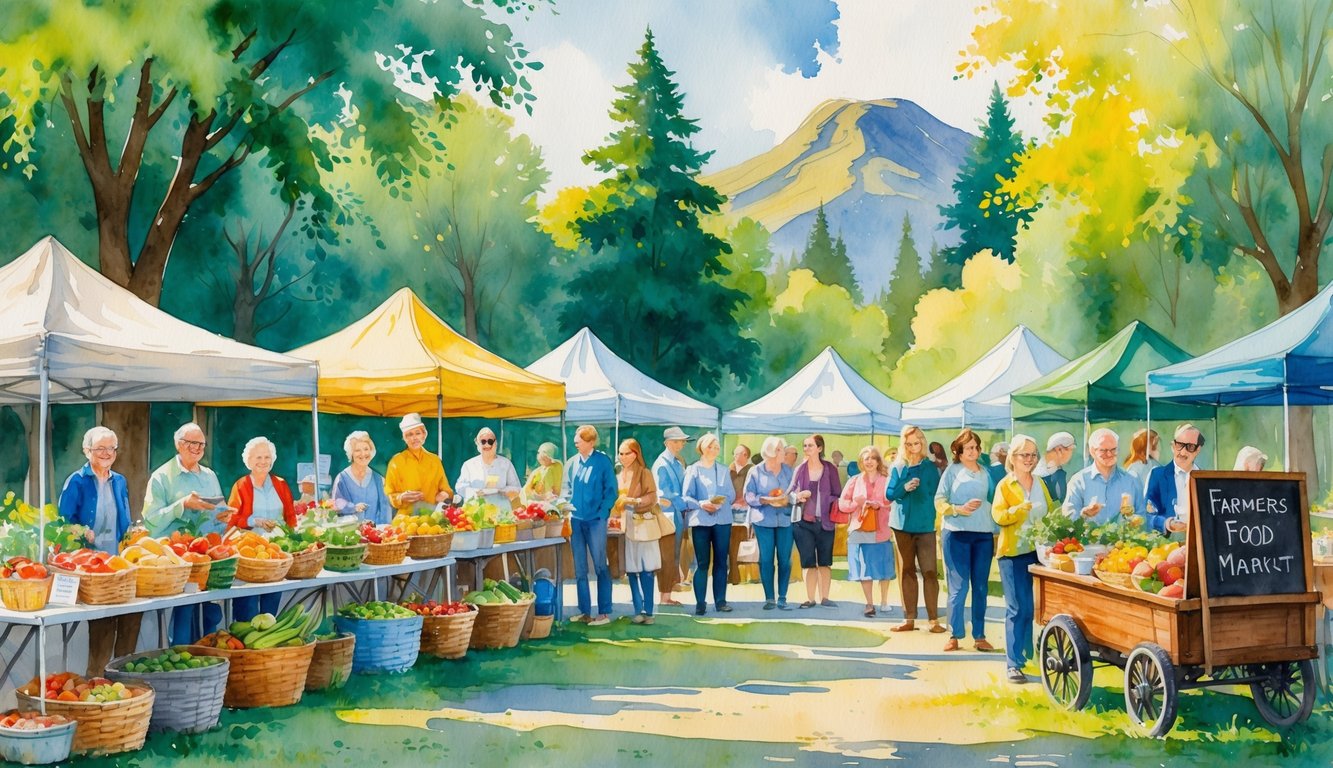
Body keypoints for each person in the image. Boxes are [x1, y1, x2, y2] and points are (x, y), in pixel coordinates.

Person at [58, 426, 139, 675]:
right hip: (92, 568)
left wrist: (132, 533)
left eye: (111, 448)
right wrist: (82, 531)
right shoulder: (77, 481)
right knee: (102, 626)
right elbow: (61, 523)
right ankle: (96, 679)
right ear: (87, 451)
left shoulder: (120, 481)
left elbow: (124, 518)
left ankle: (124, 680)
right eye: (100, 448)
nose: (106, 453)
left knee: (131, 619)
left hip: (118, 565)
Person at [143, 422, 232, 645]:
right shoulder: (162, 476)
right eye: (192, 443)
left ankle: (208, 655)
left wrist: (223, 518)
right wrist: (182, 504)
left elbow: (217, 514)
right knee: (183, 614)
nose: (197, 448)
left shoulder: (209, 475)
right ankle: (181, 654)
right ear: (179, 445)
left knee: (211, 614)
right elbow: (151, 521)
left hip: (208, 557)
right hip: (178, 558)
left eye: (201, 444)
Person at [991, 434, 1056, 683]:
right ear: (1013, 457)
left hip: (1037, 553)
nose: (1029, 459)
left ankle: (1028, 654)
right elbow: (998, 516)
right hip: (1012, 554)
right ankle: (1013, 663)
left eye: (1032, 455)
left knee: (1032, 607)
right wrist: (1016, 511)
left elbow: (1050, 512)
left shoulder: (1040, 483)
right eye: (1024, 455)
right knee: (1016, 608)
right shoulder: (1005, 485)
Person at [934, 428, 997, 652]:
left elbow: (994, 500)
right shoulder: (952, 472)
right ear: (958, 451)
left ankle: (979, 636)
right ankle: (954, 635)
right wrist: (958, 509)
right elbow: (939, 501)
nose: (973, 451)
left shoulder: (986, 473)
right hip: (956, 534)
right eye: (968, 448)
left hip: (983, 535)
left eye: (976, 447)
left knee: (980, 587)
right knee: (959, 587)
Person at [228, 436, 297, 621]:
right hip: (250, 556)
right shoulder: (241, 485)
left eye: (267, 457)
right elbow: (231, 518)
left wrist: (293, 536)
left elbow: (291, 517)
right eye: (258, 457)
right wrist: (254, 521)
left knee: (270, 608)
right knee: (248, 607)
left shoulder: (281, 484)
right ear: (249, 460)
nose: (263, 461)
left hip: (275, 555)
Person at [887, 426, 945, 632]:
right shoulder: (898, 466)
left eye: (916, 443)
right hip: (901, 526)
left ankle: (933, 620)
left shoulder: (930, 467)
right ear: (904, 445)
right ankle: (909, 619)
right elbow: (889, 494)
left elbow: (938, 493)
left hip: (925, 525)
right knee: (907, 571)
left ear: (922, 443)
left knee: (930, 571)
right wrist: (905, 487)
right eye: (909, 444)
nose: (913, 447)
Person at [564, 425, 616, 625]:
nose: (576, 442)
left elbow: (611, 491)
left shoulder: (603, 462)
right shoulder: (572, 463)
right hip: (576, 521)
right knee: (579, 569)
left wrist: (602, 514)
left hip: (596, 522)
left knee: (600, 565)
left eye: (580, 440)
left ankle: (604, 612)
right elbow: (566, 489)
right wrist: (566, 507)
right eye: (576, 439)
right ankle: (584, 611)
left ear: (591, 442)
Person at [682, 433, 735, 615]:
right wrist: (701, 503)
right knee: (702, 563)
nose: (714, 450)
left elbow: (731, 495)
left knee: (721, 562)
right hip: (701, 521)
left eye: (716, 447)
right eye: (710, 447)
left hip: (722, 520)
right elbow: (686, 496)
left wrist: (719, 503)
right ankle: (700, 603)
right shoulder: (693, 470)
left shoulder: (724, 470)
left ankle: (720, 601)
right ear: (702, 448)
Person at [839, 446, 894, 617]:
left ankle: (884, 601)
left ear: (878, 461)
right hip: (860, 529)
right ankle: (869, 603)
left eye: (872, 458)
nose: (869, 461)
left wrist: (879, 505)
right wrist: (857, 503)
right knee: (864, 569)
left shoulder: (886, 480)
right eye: (866, 458)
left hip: (881, 529)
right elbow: (842, 504)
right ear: (861, 462)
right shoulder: (854, 480)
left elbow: (893, 502)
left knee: (884, 567)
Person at [788, 434, 842, 608]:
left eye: (810, 445)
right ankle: (810, 599)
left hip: (825, 522)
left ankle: (825, 598)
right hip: (803, 523)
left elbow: (838, 494)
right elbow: (789, 493)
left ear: (819, 448)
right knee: (808, 562)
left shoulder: (830, 469)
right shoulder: (800, 469)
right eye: (805, 446)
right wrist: (797, 496)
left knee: (825, 562)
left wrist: (825, 498)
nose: (806, 449)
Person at [743, 436, 795, 610]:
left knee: (785, 560)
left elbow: (795, 492)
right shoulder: (755, 471)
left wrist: (789, 499)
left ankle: (782, 597)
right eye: (780, 449)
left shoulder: (788, 471)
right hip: (763, 520)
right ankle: (769, 598)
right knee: (766, 559)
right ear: (771, 451)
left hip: (785, 520)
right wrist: (765, 499)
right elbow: (748, 496)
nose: (784, 452)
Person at [616, 439, 660, 624]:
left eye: (627, 453)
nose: (623, 457)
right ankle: (637, 609)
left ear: (636, 454)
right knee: (632, 570)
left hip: (643, 524)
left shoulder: (644, 473)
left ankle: (648, 611)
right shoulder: (618, 475)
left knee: (647, 569)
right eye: (621, 453)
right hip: (625, 525)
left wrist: (635, 501)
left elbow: (652, 496)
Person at [1063, 428, 1144, 525]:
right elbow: (1068, 520)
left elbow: (1143, 515)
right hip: (1088, 535)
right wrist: (1084, 514)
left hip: (1125, 535)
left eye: (1113, 449)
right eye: (1103, 450)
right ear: (1092, 451)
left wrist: (1134, 520)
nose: (1109, 454)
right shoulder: (1078, 481)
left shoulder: (1132, 479)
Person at [384, 413, 453, 516]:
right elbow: (388, 494)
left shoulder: (435, 460)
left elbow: (447, 490)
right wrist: (401, 497)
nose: (414, 438)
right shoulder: (396, 462)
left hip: (431, 516)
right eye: (410, 435)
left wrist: (444, 494)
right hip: (405, 519)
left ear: (424, 435)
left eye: (418, 433)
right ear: (405, 438)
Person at [652, 426, 691, 605]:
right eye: (676, 441)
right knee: (667, 555)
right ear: (667, 443)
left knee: (674, 553)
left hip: (677, 514)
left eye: (681, 441)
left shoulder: (676, 462)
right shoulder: (661, 464)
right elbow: (665, 494)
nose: (680, 445)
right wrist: (688, 503)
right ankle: (664, 596)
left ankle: (667, 593)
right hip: (667, 516)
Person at [1145, 424, 1205, 536]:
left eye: (1190, 447)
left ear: (1198, 450)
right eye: (1180, 445)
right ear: (1173, 446)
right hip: (1167, 543)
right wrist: (1167, 524)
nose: (1183, 452)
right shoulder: (1158, 475)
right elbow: (1146, 516)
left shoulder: (1205, 479)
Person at [331, 431, 392, 524]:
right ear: (351, 454)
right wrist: (353, 508)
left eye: (366, 449)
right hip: (349, 530)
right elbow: (336, 503)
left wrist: (382, 529)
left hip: (375, 531)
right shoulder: (342, 478)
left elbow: (385, 510)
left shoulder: (379, 479)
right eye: (357, 450)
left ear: (371, 451)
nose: (363, 454)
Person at [456, 427, 521, 509]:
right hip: (475, 510)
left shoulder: (506, 463)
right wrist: (475, 492)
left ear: (495, 444)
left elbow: (517, 487)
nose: (487, 445)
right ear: (477, 444)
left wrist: (502, 490)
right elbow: (460, 487)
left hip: (501, 510)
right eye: (483, 442)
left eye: (490, 441)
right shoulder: (468, 465)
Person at [727, 444, 752, 585]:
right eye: (734, 453)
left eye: (739, 454)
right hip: (729, 511)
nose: (735, 456)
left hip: (745, 511)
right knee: (729, 543)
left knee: (737, 542)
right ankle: (732, 572)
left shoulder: (751, 470)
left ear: (746, 455)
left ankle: (735, 574)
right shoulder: (729, 470)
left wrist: (744, 502)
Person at [1035, 432, 1076, 503]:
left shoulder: (1058, 471)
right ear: (1059, 450)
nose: (1071, 454)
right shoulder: (1037, 475)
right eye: (1070, 449)